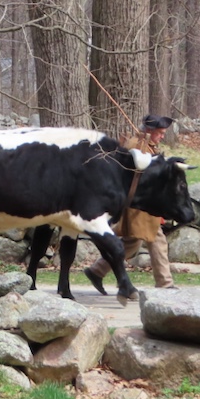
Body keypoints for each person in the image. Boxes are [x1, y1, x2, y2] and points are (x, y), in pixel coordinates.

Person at [85, 114, 176, 294]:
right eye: (160, 133)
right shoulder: (137, 146)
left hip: (142, 203)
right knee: (157, 238)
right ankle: (165, 283)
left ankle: (98, 270)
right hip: (140, 204)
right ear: (149, 132)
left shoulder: (144, 145)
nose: (162, 136)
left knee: (131, 243)